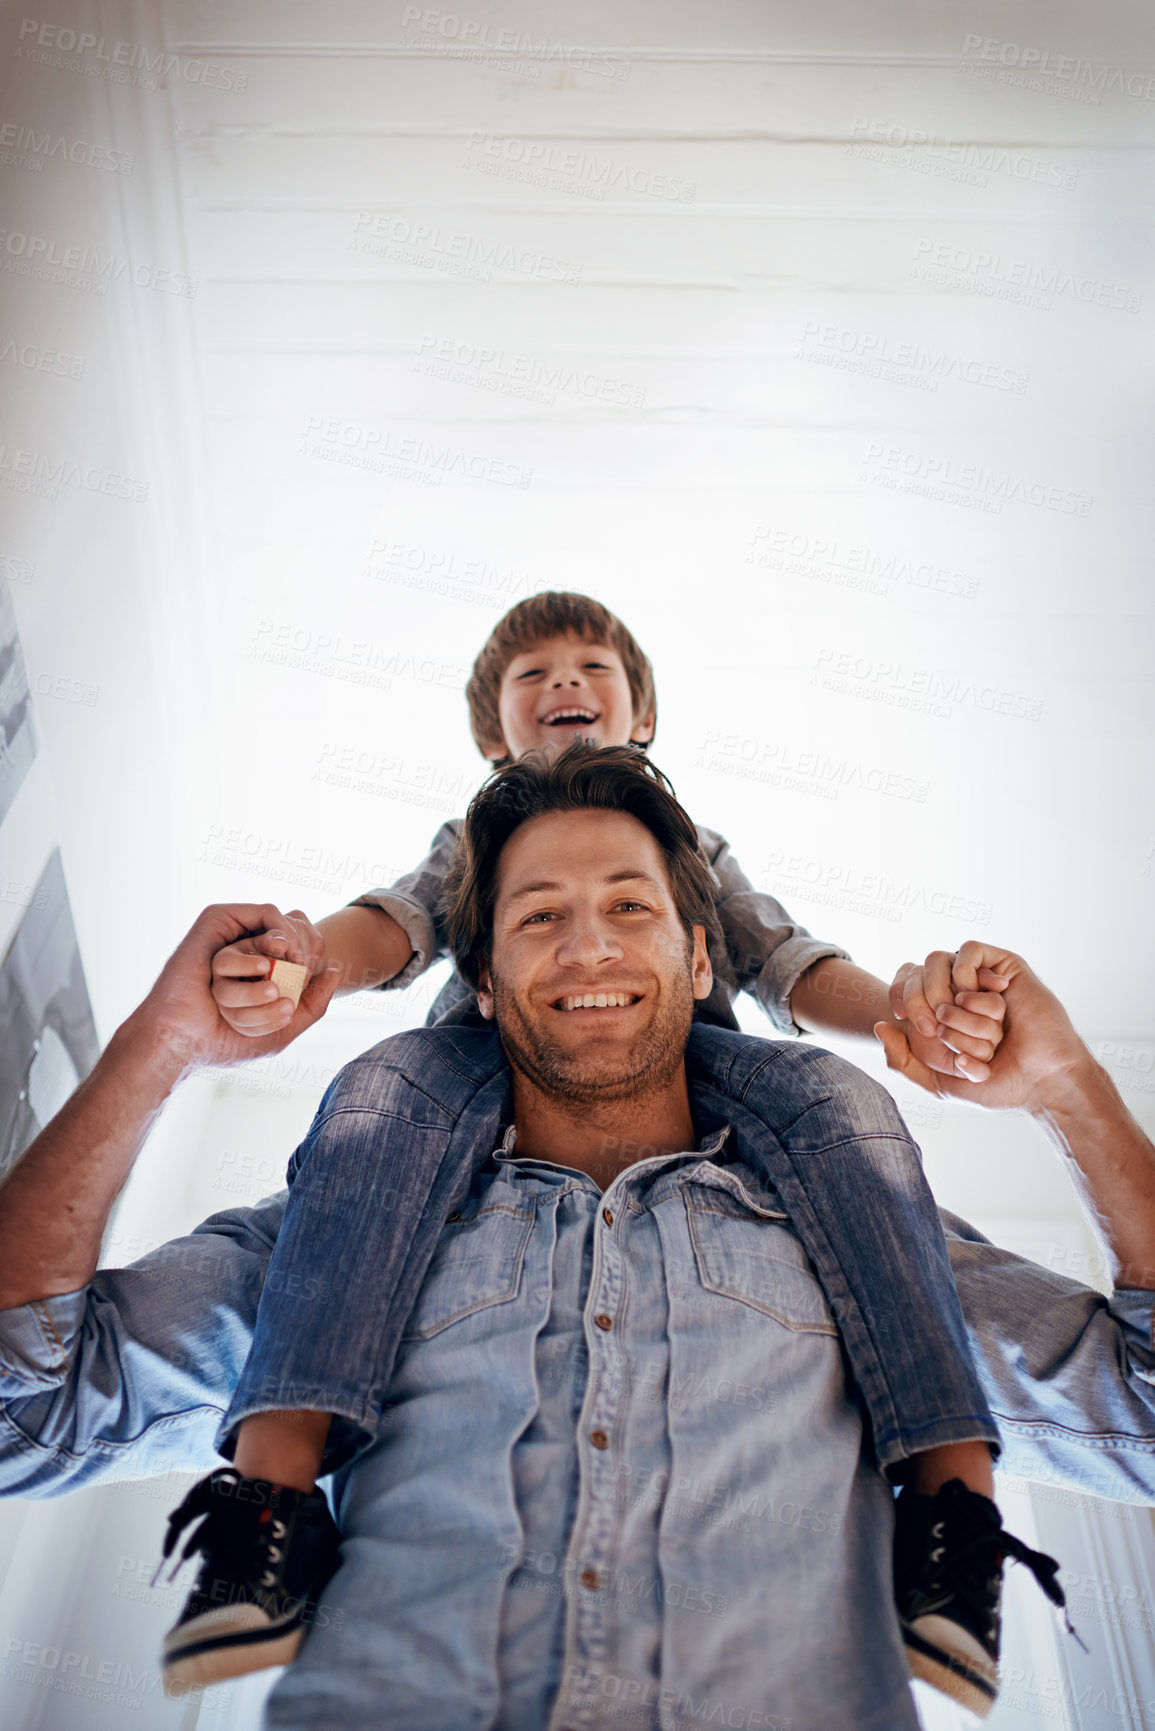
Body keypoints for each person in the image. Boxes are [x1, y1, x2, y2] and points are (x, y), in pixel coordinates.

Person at [0, 846, 1152, 1729]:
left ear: (703, 963)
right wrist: (161, 1044)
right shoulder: (337, 1245)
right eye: (538, 915)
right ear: (486, 985)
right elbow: (19, 1414)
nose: (588, 945)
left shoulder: (862, 1244)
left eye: (632, 907)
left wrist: (1068, 1085)